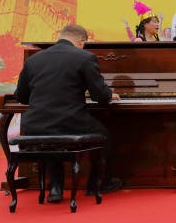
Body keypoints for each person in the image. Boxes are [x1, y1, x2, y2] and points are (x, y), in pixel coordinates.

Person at [15, 25, 122, 202]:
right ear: (81, 41)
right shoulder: (85, 57)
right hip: (70, 121)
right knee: (104, 135)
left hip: (35, 124)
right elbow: (100, 96)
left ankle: (56, 188)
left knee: (49, 136)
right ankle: (97, 184)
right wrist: (110, 94)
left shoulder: (34, 60)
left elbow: (22, 96)